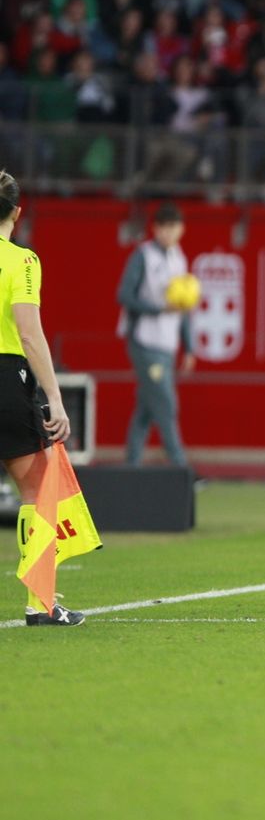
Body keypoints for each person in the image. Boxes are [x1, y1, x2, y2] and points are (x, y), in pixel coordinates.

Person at [0, 171, 84, 625]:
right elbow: (29, 334)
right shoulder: (22, 262)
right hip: (5, 379)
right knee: (36, 490)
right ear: (17, 211)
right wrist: (54, 396)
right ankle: (40, 603)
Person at [117, 204, 194, 469]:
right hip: (145, 341)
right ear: (156, 228)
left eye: (175, 227)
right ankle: (182, 469)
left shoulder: (179, 257)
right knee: (166, 403)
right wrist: (159, 308)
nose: (170, 232)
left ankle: (131, 468)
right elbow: (124, 295)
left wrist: (189, 346)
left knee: (146, 409)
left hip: (167, 345)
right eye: (166, 227)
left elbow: (184, 309)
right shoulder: (143, 256)